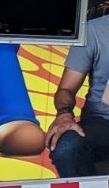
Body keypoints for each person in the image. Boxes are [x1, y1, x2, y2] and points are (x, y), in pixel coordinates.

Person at [45, 14, 109, 177]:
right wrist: (64, 114)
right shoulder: (93, 30)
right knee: (67, 146)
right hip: (103, 121)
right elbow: (66, 90)